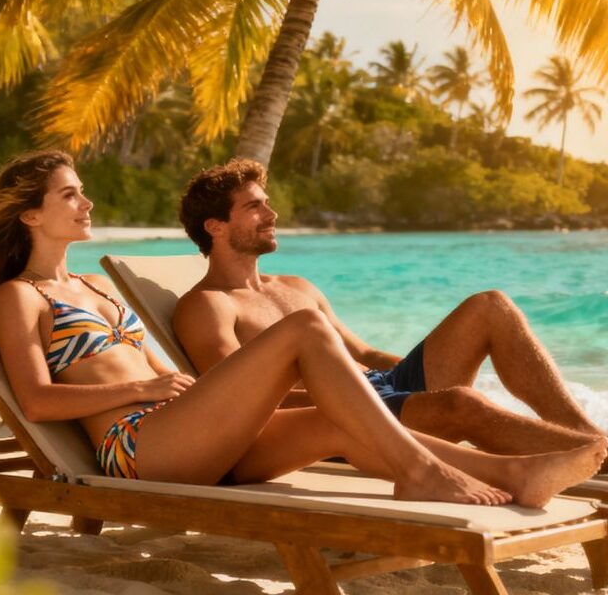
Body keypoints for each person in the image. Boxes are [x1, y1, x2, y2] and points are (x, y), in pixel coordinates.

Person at [0, 149, 604, 508]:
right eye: (69, 194)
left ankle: (515, 473)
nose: (87, 202)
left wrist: (169, 389)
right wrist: (141, 392)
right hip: (138, 446)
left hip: (187, 427)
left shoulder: (94, 286)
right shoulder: (21, 296)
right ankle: (424, 472)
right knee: (306, 332)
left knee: (342, 422)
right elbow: (37, 401)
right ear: (29, 215)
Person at [174, 159, 608, 462]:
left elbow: (363, 353)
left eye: (267, 202)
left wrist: (417, 387)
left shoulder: (295, 286)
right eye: (255, 207)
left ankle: (588, 437)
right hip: (338, 418)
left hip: (383, 390)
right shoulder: (206, 306)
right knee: (461, 404)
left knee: (490, 306)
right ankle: (594, 459)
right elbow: (234, 402)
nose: (273, 213)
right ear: (216, 226)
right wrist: (356, 398)